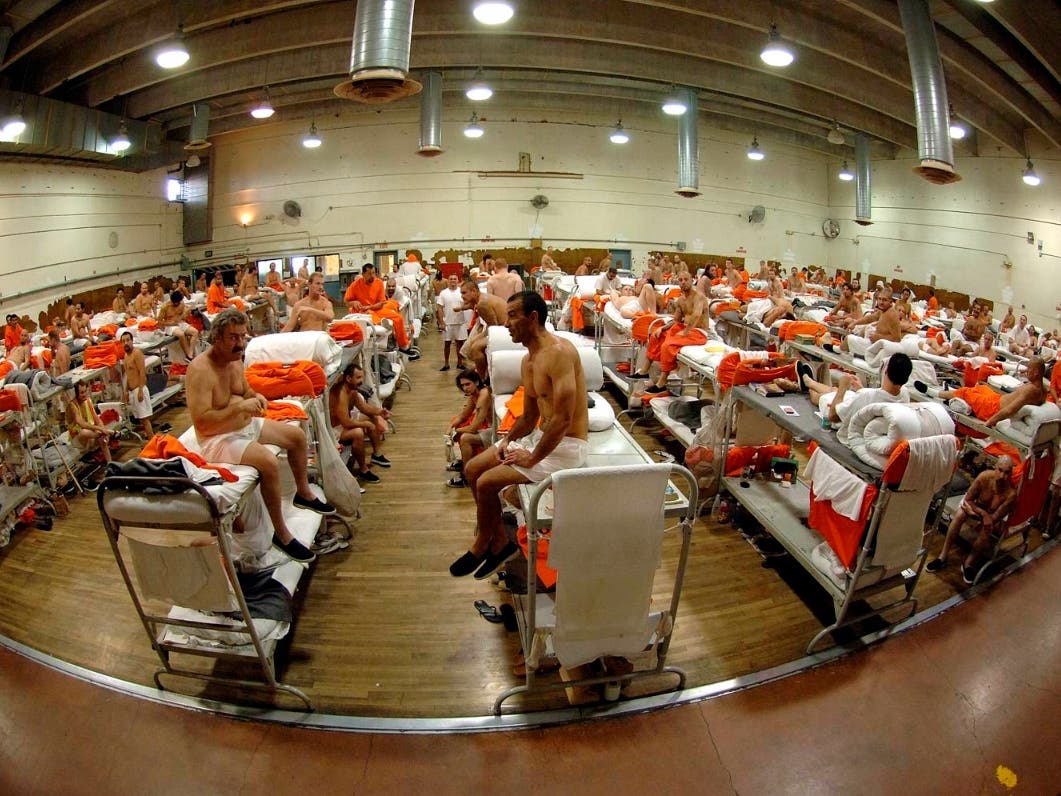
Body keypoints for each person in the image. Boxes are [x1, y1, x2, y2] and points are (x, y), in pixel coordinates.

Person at [452, 290, 589, 578]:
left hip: (566, 447)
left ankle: (481, 544)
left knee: (487, 482)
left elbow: (563, 419)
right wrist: (507, 440)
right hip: (541, 437)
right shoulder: (528, 361)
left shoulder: (560, 354)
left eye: (513, 315)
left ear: (533, 317)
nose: (507, 323)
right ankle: (500, 542)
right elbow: (529, 416)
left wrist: (532, 458)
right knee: (474, 468)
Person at [185, 308, 334, 564]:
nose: (240, 343)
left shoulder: (234, 359)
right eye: (233, 337)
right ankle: (282, 534)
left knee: (296, 437)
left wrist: (255, 396)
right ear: (217, 338)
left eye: (243, 336)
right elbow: (202, 421)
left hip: (244, 424)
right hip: (217, 439)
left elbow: (244, 390)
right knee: (268, 461)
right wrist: (240, 407)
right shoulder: (200, 370)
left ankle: (303, 493)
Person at [926, 457, 1016, 583]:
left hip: (988, 515)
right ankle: (943, 556)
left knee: (987, 528)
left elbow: (994, 518)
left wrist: (983, 516)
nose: (1002, 476)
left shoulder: (1010, 494)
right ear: (995, 467)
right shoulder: (984, 477)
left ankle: (968, 563)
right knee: (960, 515)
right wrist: (980, 513)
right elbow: (968, 500)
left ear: (1011, 473)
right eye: (1000, 470)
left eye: (1007, 472)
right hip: (973, 505)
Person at [796, 352, 913, 445]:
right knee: (835, 391)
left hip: (842, 421)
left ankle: (808, 386)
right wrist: (860, 389)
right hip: (863, 406)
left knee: (823, 397)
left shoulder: (867, 396)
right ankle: (809, 382)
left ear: (886, 371)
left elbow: (833, 416)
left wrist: (843, 386)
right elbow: (878, 397)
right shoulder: (905, 394)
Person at [643, 273, 711, 393]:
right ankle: (644, 370)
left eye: (686, 279)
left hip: (698, 332)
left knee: (668, 344)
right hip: (685, 330)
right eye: (680, 280)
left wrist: (685, 332)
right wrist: (663, 328)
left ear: (692, 280)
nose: (683, 282)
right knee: (657, 335)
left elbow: (696, 315)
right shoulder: (680, 300)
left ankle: (662, 382)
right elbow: (676, 321)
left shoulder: (699, 297)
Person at [932, 358, 1048, 427]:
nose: (1026, 372)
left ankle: (934, 393)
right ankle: (947, 392)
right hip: (997, 399)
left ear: (1036, 372)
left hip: (993, 409)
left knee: (965, 391)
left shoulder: (1031, 390)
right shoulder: (1043, 389)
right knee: (981, 388)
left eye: (1029, 369)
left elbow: (1010, 410)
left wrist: (990, 421)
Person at [329, 362, 391, 485]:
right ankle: (363, 469)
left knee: (372, 418)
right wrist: (365, 425)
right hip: (335, 430)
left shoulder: (352, 391)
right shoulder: (341, 394)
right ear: (348, 378)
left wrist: (380, 411)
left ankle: (376, 455)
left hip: (343, 425)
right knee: (358, 433)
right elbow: (346, 422)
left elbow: (364, 408)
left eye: (361, 377)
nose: (361, 381)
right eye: (358, 378)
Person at [343, 264, 416, 355]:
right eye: (369, 274)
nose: (372, 276)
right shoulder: (355, 285)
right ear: (363, 274)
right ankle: (380, 321)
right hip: (363, 311)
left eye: (373, 273)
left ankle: (403, 345)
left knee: (398, 318)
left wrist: (369, 307)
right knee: (370, 315)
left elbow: (381, 303)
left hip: (376, 308)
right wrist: (353, 303)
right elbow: (346, 302)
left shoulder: (379, 283)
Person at [445, 369, 493, 488]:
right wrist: (450, 428)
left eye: (468, 384)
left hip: (496, 431)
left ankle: (467, 476)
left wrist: (455, 432)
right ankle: (467, 462)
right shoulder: (474, 395)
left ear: (476, 382)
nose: (465, 388)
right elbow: (462, 416)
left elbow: (473, 428)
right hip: (489, 428)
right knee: (456, 422)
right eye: (462, 386)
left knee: (466, 437)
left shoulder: (484, 394)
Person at [459, 279, 507, 379]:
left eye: (464, 293)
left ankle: (483, 379)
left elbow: (493, 328)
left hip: (506, 330)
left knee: (475, 347)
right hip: (503, 328)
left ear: (474, 291)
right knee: (472, 343)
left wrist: (478, 338)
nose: (462, 296)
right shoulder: (482, 299)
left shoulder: (482, 303)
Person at [66, 381, 112, 463]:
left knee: (102, 438)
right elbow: (81, 424)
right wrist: (101, 430)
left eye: (85, 391)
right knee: (84, 432)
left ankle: (110, 464)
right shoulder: (72, 405)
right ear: (76, 394)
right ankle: (110, 432)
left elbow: (97, 420)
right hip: (79, 440)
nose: (84, 394)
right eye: (82, 392)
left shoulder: (88, 401)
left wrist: (102, 429)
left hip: (92, 437)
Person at [121, 334, 153, 438]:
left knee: (145, 419)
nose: (126, 343)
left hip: (139, 389)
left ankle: (152, 440)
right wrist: (126, 391)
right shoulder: (126, 356)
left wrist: (140, 390)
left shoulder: (137, 353)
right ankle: (149, 439)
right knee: (140, 419)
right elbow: (127, 375)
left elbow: (142, 372)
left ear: (132, 341)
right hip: (132, 391)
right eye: (123, 341)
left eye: (128, 340)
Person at [436, 273, 468, 372]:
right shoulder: (443, 293)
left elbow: (467, 304)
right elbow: (440, 308)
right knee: (447, 344)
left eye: (455, 279)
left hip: (460, 322)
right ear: (448, 281)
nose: (453, 281)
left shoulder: (462, 292)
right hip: (448, 323)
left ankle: (460, 363)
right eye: (451, 279)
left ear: (457, 280)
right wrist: (441, 322)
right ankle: (446, 364)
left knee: (460, 344)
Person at [157, 290, 200, 361]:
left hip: (180, 322)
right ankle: (188, 355)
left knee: (195, 332)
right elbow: (159, 321)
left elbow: (184, 317)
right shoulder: (165, 306)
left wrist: (186, 314)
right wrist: (169, 324)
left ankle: (190, 353)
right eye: (175, 303)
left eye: (178, 303)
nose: (176, 304)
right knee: (181, 334)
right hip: (169, 326)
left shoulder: (182, 304)